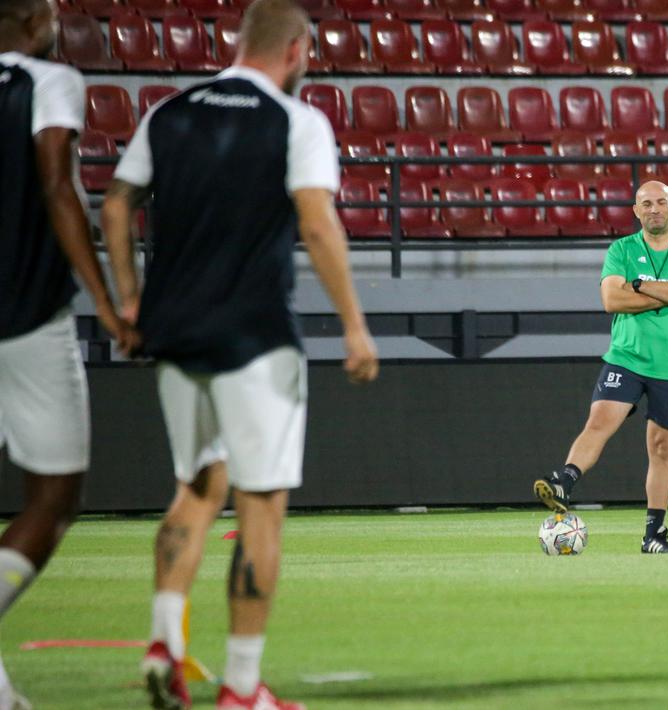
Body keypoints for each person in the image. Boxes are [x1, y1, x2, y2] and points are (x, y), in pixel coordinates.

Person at [101, 0, 379, 707]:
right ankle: (242, 688)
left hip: (174, 331)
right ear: (294, 51)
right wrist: (354, 325)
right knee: (261, 509)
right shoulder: (297, 121)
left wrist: (128, 301)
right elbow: (316, 221)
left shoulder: (169, 112)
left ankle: (165, 638)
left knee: (198, 485)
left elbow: (115, 202)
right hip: (253, 337)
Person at [0, 0, 135, 707]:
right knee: (53, 498)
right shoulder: (48, 81)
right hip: (24, 315)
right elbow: (57, 183)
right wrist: (109, 302)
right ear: (31, 19)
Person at [533, 181, 668, 553]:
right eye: (646, 203)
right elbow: (612, 299)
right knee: (599, 422)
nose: (654, 209)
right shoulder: (621, 249)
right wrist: (666, 292)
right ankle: (565, 480)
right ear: (635, 210)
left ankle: (653, 535)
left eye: (661, 202)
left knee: (662, 448)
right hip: (626, 357)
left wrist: (641, 287)